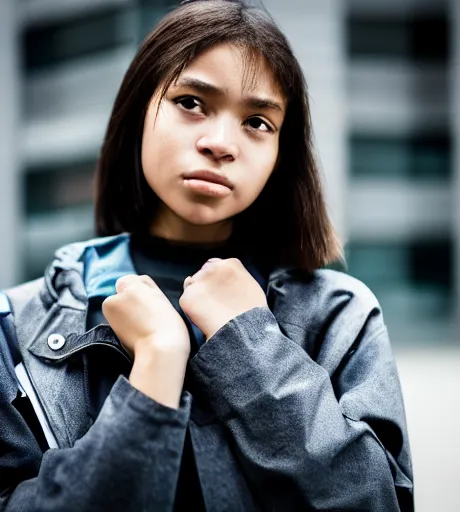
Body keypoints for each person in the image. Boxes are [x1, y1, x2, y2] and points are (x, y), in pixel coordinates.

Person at [0, 0, 414, 510]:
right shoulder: (16, 328)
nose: (220, 143)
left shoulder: (338, 316)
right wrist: (155, 361)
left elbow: (374, 501)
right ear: (137, 113)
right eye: (192, 102)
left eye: (258, 121)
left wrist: (250, 342)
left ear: (281, 154)